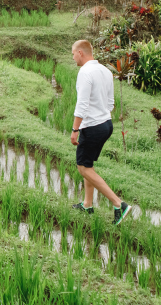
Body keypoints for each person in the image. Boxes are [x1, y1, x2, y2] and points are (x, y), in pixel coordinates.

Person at [69, 39, 132, 225]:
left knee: (82, 166)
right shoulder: (105, 71)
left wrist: (75, 129)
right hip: (106, 124)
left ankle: (118, 204)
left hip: (93, 127)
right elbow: (111, 102)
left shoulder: (85, 72)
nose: (73, 58)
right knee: (88, 165)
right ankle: (87, 204)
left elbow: (82, 104)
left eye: (73, 54)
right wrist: (101, 117)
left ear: (81, 52)